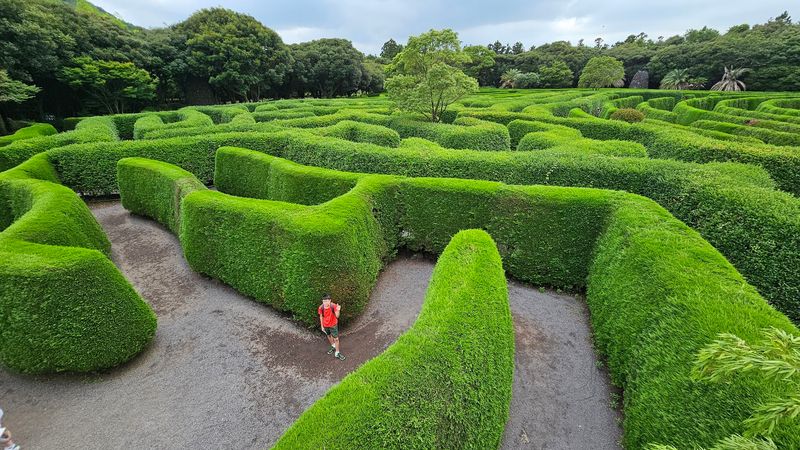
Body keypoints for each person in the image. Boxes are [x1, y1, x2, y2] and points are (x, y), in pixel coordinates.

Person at [318, 293, 345, 360]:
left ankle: (337, 353)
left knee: (336, 338)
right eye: (324, 301)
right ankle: (333, 346)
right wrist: (322, 326)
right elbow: (321, 316)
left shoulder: (333, 306)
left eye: (326, 301)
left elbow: (337, 316)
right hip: (325, 325)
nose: (325, 303)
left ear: (330, 300)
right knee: (329, 335)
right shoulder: (321, 308)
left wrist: (338, 310)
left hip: (333, 325)